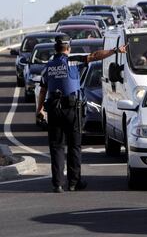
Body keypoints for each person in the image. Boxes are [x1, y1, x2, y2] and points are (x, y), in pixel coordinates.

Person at [36, 35, 127, 193]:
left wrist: (39, 110)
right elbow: (94, 56)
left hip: (54, 110)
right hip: (72, 110)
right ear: (68, 48)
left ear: (55, 48)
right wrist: (115, 50)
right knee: (74, 146)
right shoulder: (73, 61)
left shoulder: (48, 67)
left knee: (56, 147)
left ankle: (57, 184)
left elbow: (43, 90)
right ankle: (74, 182)